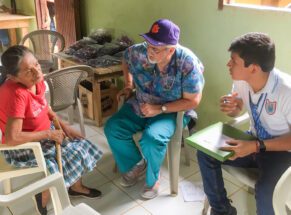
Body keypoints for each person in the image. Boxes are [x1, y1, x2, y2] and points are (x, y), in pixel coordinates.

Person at [104, 19, 204, 199]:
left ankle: (153, 180)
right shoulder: (139, 52)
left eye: (156, 48)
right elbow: (125, 58)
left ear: (171, 50)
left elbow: (193, 100)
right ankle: (136, 164)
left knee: (152, 138)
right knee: (113, 127)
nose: (149, 50)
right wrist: (128, 84)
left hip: (171, 110)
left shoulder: (187, 62)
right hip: (141, 103)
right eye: (149, 44)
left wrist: (160, 108)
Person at [0, 45, 103, 215]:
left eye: (36, 65)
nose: (36, 72)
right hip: (23, 146)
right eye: (27, 71)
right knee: (60, 163)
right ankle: (43, 197)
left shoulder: (36, 81)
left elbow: (44, 107)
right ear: (13, 77)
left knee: (80, 145)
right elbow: (12, 138)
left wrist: (65, 127)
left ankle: (75, 188)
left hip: (42, 135)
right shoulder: (16, 94)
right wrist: (48, 133)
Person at [197, 32, 291, 215]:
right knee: (205, 152)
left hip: (282, 152)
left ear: (253, 68)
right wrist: (233, 108)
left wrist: (255, 146)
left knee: (266, 194)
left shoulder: (286, 91)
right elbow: (238, 109)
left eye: (233, 61)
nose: (228, 64)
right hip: (253, 140)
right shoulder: (241, 80)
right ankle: (222, 210)